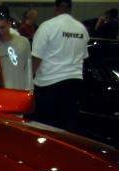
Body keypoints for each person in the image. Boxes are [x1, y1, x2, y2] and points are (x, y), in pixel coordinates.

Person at [30, 0, 89, 131]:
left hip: (49, 85)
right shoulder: (81, 29)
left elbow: (36, 57)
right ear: (70, 8)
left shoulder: (47, 26)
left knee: (44, 129)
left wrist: (28, 81)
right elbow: (83, 57)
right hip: (74, 84)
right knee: (66, 129)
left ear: (55, 7)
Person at [0, 7, 32, 94]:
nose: (0, 32)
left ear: (9, 24)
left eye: (3, 27)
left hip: (19, 93)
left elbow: (28, 69)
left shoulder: (24, 43)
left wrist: (30, 91)